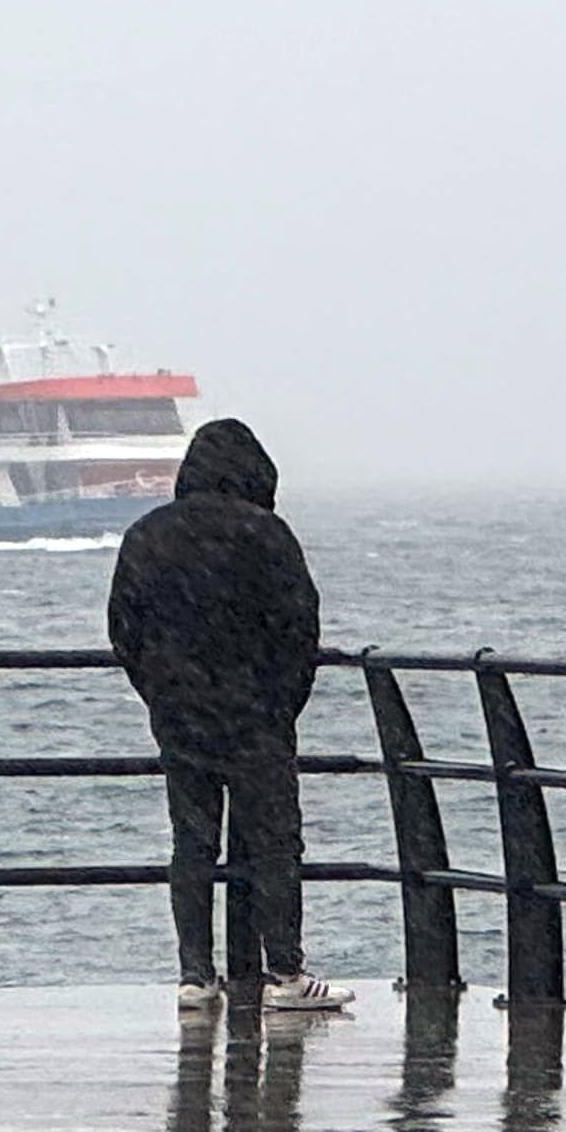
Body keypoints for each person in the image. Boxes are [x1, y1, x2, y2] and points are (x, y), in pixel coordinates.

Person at [106, 418, 354, 1012]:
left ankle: (195, 975)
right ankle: (285, 975)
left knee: (191, 844)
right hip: (256, 719)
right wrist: (279, 702)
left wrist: (162, 691)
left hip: (181, 718)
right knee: (275, 845)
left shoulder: (148, 536)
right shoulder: (266, 535)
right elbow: (300, 628)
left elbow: (124, 629)